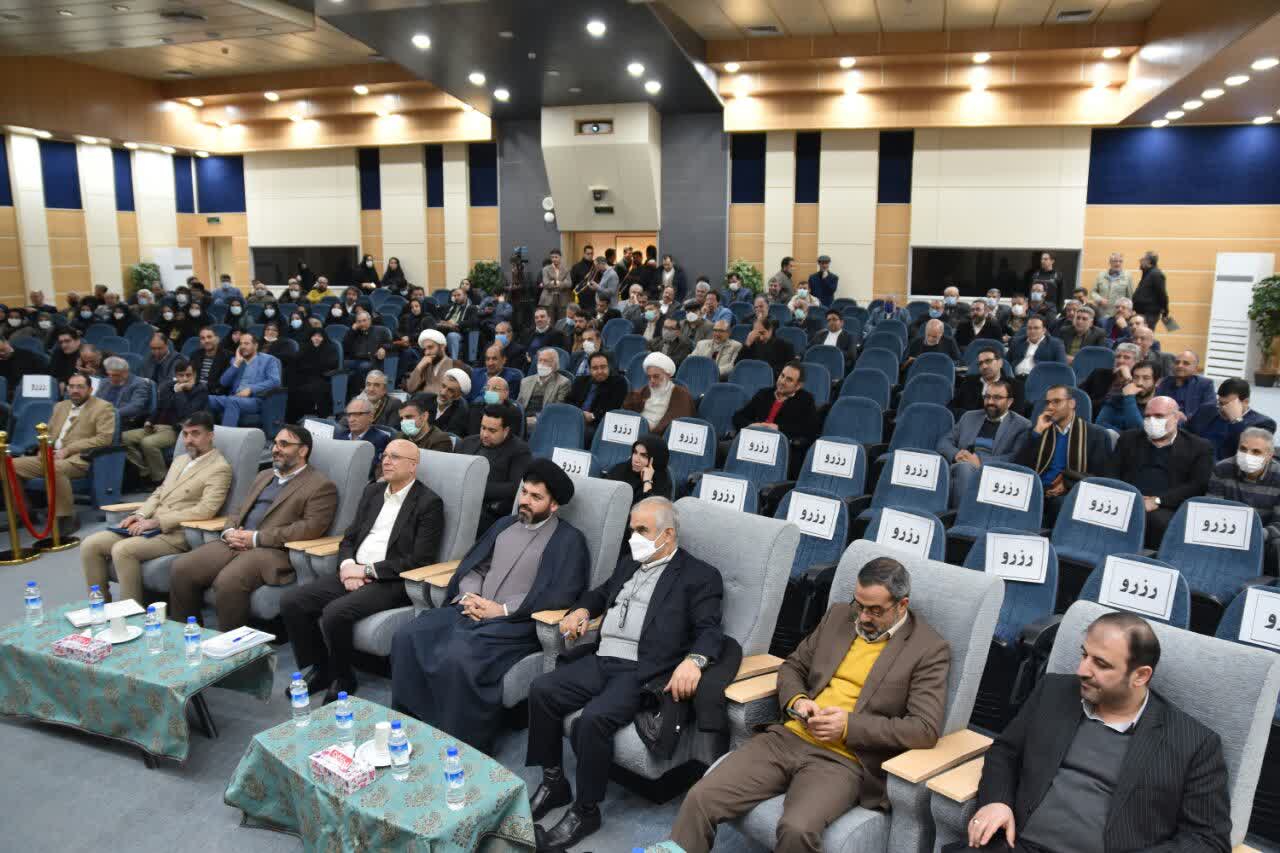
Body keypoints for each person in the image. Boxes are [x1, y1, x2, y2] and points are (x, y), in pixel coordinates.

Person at [671, 557, 950, 853]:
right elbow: (793, 667)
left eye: (875, 610)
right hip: (788, 737)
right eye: (859, 605)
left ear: (902, 605)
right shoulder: (839, 616)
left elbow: (924, 729)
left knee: (797, 829)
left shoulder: (928, 649)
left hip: (844, 760)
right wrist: (799, 700)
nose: (863, 617)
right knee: (701, 796)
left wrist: (848, 726)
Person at [529, 497, 724, 849]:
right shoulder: (629, 563)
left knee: (593, 719)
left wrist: (694, 661)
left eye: (641, 530)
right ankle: (554, 781)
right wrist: (581, 611)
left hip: (641, 669)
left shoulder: (699, 576)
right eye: (631, 530)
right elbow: (601, 593)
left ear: (667, 534)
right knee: (542, 690)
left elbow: (710, 630)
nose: (633, 538)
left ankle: (586, 810)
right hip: (603, 658)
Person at [953, 612, 1229, 853]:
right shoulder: (1053, 691)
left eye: (1101, 664)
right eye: (1084, 655)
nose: (1082, 670)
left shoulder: (1193, 743)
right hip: (1016, 845)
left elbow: (1208, 840)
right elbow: (1005, 752)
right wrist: (997, 801)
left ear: (1140, 675)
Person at [391, 460, 589, 751]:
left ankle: (458, 744)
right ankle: (410, 723)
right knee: (407, 636)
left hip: (516, 623)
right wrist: (470, 596)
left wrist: (502, 610)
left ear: (554, 505)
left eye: (536, 497)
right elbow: (476, 567)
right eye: (524, 492)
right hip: (470, 608)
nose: (525, 501)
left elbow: (561, 593)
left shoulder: (569, 540)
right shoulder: (504, 525)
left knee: (459, 657)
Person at [281, 439, 442, 702]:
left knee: (335, 612)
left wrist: (366, 570)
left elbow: (420, 559)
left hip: (391, 580)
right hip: (353, 568)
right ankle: (320, 669)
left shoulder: (428, 503)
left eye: (395, 457)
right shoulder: (373, 492)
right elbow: (349, 537)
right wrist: (347, 567)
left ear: (413, 466)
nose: (386, 461)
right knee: (293, 601)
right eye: (385, 455)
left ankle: (343, 677)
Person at [168, 425, 339, 631]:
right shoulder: (264, 476)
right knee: (182, 568)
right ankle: (187, 635)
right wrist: (229, 531)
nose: (275, 449)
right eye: (275, 443)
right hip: (235, 541)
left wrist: (257, 538)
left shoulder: (320, 485)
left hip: (273, 551)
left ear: (302, 450)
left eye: (284, 444)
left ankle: (231, 645)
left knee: (228, 581)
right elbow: (238, 510)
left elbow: (311, 528)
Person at [82, 413, 231, 605]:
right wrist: (139, 514)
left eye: (196, 434)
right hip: (148, 524)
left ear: (210, 435)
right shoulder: (180, 460)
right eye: (185, 434)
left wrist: (158, 522)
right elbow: (160, 492)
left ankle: (130, 613)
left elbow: (206, 510)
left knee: (123, 550)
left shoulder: (219, 468)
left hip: (177, 532)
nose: (189, 440)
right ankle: (100, 607)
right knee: (90, 544)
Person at [11, 373, 113, 538]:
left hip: (78, 459)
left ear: (90, 389)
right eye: (71, 387)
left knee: (55, 468)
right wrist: (44, 447)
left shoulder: (103, 407)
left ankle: (66, 517)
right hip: (50, 456)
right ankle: (24, 512)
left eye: (80, 387)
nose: (75, 390)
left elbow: (104, 438)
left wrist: (68, 450)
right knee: (9, 465)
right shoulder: (60, 406)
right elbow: (50, 434)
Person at [1107, 395, 1214, 548]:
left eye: (1159, 416)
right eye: (1147, 416)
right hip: (1127, 500)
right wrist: (1129, 498)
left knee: (1157, 522)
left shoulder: (1199, 447)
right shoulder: (1129, 439)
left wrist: (1157, 500)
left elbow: (1197, 485)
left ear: (1176, 417)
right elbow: (1111, 472)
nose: (1152, 421)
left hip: (1167, 506)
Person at [1014, 385, 1110, 525]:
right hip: (1037, 490)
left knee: (1060, 504)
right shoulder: (1038, 431)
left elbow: (1101, 477)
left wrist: (1068, 484)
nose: (1050, 407)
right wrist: (1036, 433)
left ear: (1072, 403)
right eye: (1048, 402)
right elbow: (1019, 467)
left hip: (1070, 493)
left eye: (1057, 401)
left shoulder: (1096, 435)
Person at [938, 379, 1031, 507]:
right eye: (987, 397)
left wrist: (980, 462)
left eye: (997, 398)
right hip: (960, 465)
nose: (990, 402)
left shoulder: (1022, 425)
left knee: (964, 469)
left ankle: (960, 514)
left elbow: (1015, 457)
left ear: (1009, 402)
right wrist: (956, 454)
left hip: (994, 476)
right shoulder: (969, 417)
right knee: (960, 468)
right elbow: (944, 442)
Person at [124, 358, 208, 485]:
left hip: (176, 429)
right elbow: (160, 407)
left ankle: (161, 478)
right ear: (176, 376)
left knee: (147, 443)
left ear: (195, 375)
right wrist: (149, 420)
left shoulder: (200, 390)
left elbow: (186, 414)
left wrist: (179, 393)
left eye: (188, 375)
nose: (184, 379)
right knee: (124, 438)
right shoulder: (169, 386)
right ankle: (145, 472)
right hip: (156, 426)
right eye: (181, 375)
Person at [1209, 427, 1280, 575]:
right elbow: (1212, 509)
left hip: (1265, 535)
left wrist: (1258, 534)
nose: (1248, 455)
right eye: (1243, 449)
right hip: (1225, 532)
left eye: (1256, 452)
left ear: (1269, 455)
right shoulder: (1222, 468)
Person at [456, 403, 533, 533]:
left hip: (490, 511)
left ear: (506, 431)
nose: (485, 434)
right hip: (458, 501)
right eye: (483, 428)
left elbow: (516, 487)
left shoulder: (519, 451)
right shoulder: (467, 443)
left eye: (492, 431)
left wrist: (475, 489)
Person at [1186, 378, 1277, 461]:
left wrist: (1236, 420)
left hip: (1226, 469)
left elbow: (1246, 451)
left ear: (1246, 402)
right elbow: (1187, 433)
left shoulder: (1263, 423)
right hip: (1193, 461)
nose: (1222, 409)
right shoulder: (1207, 410)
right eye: (1220, 403)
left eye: (1228, 404)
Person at [731, 360, 819, 444]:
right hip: (753, 441)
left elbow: (809, 430)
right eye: (782, 376)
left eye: (789, 380)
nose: (782, 381)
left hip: (782, 446)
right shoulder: (764, 393)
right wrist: (752, 425)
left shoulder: (806, 400)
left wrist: (779, 429)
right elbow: (738, 417)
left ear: (798, 386)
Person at [207, 334, 281, 427]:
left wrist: (250, 389)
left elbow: (275, 381)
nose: (243, 346)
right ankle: (205, 432)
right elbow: (223, 382)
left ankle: (226, 435)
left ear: (255, 345)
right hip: (234, 397)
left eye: (246, 343)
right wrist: (236, 364)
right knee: (206, 398)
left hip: (256, 400)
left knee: (233, 401)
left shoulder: (268, 360)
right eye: (241, 344)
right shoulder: (235, 360)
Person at [624, 352, 695, 434]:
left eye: (656, 376)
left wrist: (650, 430)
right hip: (637, 431)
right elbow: (629, 408)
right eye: (649, 377)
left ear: (668, 375)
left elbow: (676, 424)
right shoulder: (646, 389)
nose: (652, 381)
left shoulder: (681, 394)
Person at [567, 351, 629, 445]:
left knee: (582, 434)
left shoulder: (619, 383)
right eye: (595, 368)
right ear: (590, 369)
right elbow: (568, 401)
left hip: (599, 424)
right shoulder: (581, 381)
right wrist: (579, 414)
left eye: (603, 367)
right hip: (576, 419)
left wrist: (593, 416)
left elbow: (613, 408)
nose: (600, 371)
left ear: (609, 367)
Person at [286, 325, 340, 423]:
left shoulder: (330, 348)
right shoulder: (305, 347)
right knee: (292, 387)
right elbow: (297, 363)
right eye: (314, 336)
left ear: (324, 338)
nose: (316, 338)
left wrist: (311, 366)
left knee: (315, 388)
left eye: (319, 336)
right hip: (305, 377)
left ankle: (321, 418)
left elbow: (330, 365)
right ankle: (292, 420)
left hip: (322, 377)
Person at [1096, 359, 1159, 433]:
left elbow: (1140, 433)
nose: (1139, 383)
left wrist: (1129, 398)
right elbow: (1099, 424)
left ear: (1157, 382)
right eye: (1136, 377)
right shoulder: (1116, 399)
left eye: (1146, 378)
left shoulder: (1160, 405)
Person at [954, 349, 1023, 415]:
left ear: (1000, 363)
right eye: (980, 363)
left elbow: (1016, 416)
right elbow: (956, 407)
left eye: (988, 361)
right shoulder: (968, 382)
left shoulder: (1015, 386)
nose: (984, 366)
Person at [518, 348, 571, 432]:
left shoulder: (563, 383)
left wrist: (536, 418)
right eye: (540, 360)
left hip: (544, 419)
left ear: (555, 364)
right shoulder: (525, 381)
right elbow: (519, 404)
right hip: (523, 418)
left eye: (546, 361)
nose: (541, 364)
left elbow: (557, 409)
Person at [1155, 351, 1217, 423]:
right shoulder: (1165, 382)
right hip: (1165, 424)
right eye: (1177, 362)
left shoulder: (1205, 384)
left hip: (1192, 426)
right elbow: (1156, 406)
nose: (1180, 365)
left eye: (1186, 363)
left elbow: (1209, 410)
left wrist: (1186, 418)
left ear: (1195, 369)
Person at [95, 355, 151, 431]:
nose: (111, 378)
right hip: (102, 419)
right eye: (109, 374)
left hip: (123, 421)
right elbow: (96, 401)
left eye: (115, 375)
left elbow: (136, 407)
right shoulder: (104, 382)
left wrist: (112, 413)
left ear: (126, 372)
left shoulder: (139, 383)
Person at [335, 397, 390, 467]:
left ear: (371, 417)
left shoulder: (380, 439)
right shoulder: (340, 436)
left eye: (357, 414)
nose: (351, 420)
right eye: (349, 415)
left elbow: (372, 468)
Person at [405, 328, 455, 396]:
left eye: (430, 347)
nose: (427, 353)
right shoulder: (424, 365)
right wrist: (419, 367)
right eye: (425, 349)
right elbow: (410, 388)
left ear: (442, 347)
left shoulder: (456, 365)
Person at [0, 334, 49, 399]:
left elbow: (43, 381)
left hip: (29, 395)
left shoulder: (30, 356)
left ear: (6, 342)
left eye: (2, 350)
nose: (1, 354)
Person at [1092, 252, 1135, 319]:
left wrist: (1129, 313)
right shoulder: (1101, 275)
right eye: (1115, 261)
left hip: (1118, 313)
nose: (1118, 263)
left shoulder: (1127, 276)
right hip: (1101, 312)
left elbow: (1130, 296)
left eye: (1120, 261)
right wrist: (1099, 299)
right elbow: (1093, 292)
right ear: (1110, 262)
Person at [1133, 250, 1168, 329]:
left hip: (1149, 314)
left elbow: (1162, 295)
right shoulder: (1147, 273)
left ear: (1148, 261)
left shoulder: (1156, 274)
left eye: (1142, 259)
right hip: (1142, 313)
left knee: (1144, 334)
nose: (1140, 261)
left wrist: (1165, 312)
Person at [433, 368, 472, 436]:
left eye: (450, 391)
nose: (443, 393)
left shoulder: (461, 413)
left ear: (459, 396)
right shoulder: (426, 399)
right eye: (443, 386)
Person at [539, 249, 573, 323]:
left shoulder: (566, 269)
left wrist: (555, 282)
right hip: (548, 298)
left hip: (562, 298)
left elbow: (569, 283)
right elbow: (546, 284)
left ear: (560, 257)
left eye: (556, 257)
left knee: (562, 321)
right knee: (549, 321)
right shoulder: (545, 269)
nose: (554, 259)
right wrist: (562, 283)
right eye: (552, 257)